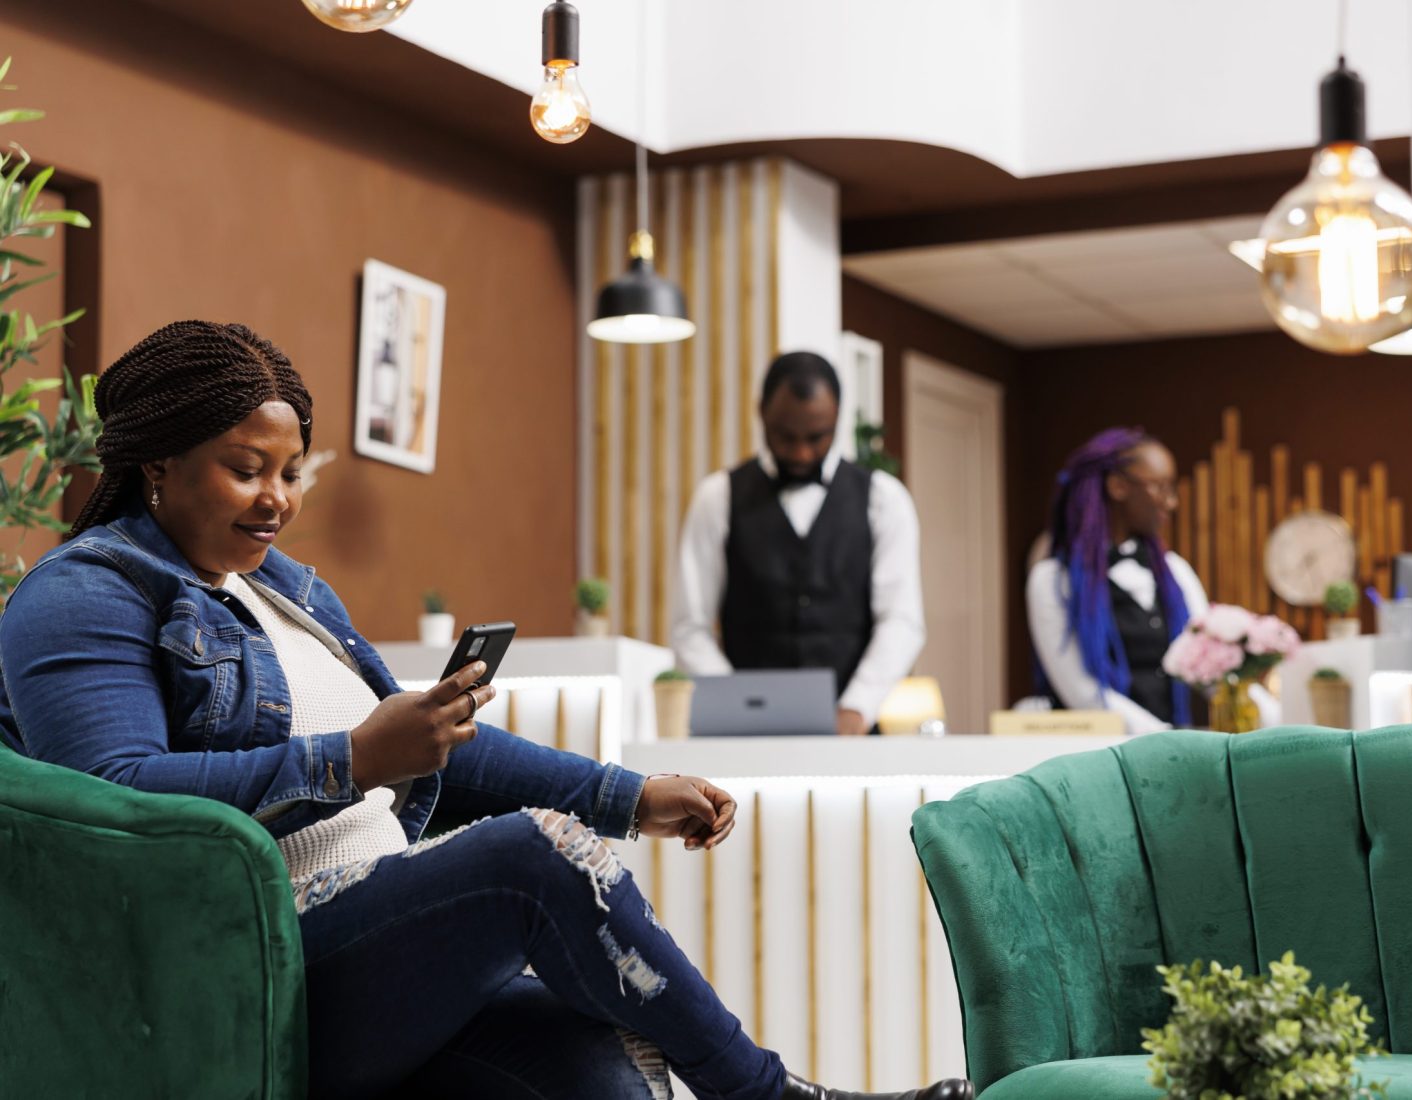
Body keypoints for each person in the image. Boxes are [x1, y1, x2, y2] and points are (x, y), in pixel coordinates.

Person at [0, 321, 971, 1100]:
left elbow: (434, 748)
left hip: (394, 932)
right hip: (259, 959)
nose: (277, 500)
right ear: (156, 461)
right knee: (531, 851)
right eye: (246, 468)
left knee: (604, 1069)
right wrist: (350, 758)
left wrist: (629, 794)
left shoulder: (286, 586)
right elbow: (112, 802)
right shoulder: (84, 593)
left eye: (290, 470)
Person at [671, 352, 925, 736]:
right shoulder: (718, 496)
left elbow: (902, 620)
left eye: (816, 437)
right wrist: (737, 706)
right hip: (740, 737)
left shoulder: (884, 499)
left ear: (838, 417)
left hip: (854, 736)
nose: (802, 453)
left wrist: (856, 707)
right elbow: (690, 626)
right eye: (785, 436)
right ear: (761, 414)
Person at [1026, 428, 1208, 735]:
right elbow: (1083, 692)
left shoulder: (1175, 572)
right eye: (1160, 487)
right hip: (1097, 759)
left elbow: (1209, 660)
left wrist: (1275, 719)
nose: (1171, 502)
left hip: (1172, 753)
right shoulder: (1054, 582)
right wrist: (1165, 739)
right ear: (1118, 487)